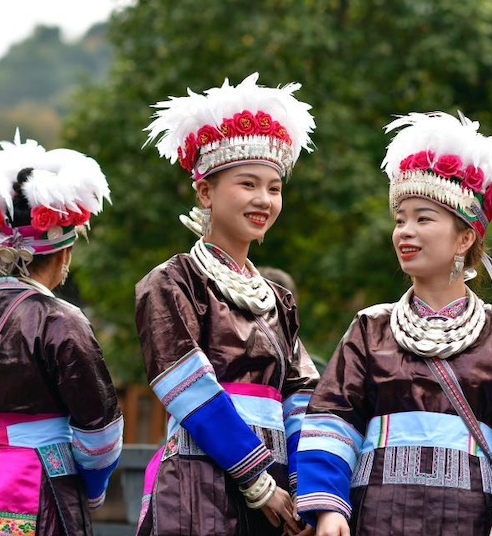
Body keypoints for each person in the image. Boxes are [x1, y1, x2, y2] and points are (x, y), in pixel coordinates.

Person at [296, 111, 492, 536]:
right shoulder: (370, 328)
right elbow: (332, 421)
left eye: (423, 218)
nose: (405, 231)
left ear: (464, 238)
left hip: (472, 520)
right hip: (376, 518)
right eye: (400, 219)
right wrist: (329, 507)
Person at [136, 72, 320, 535]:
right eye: (247, 184)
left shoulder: (278, 299)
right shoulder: (173, 282)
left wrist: (301, 483)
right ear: (205, 192)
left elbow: (302, 396)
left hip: (279, 488)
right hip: (201, 483)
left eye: (274, 188)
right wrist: (257, 482)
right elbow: (188, 386)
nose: (264, 199)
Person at [0, 130, 124, 536]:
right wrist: (90, 489)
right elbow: (100, 434)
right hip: (37, 484)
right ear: (63, 253)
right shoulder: (61, 320)